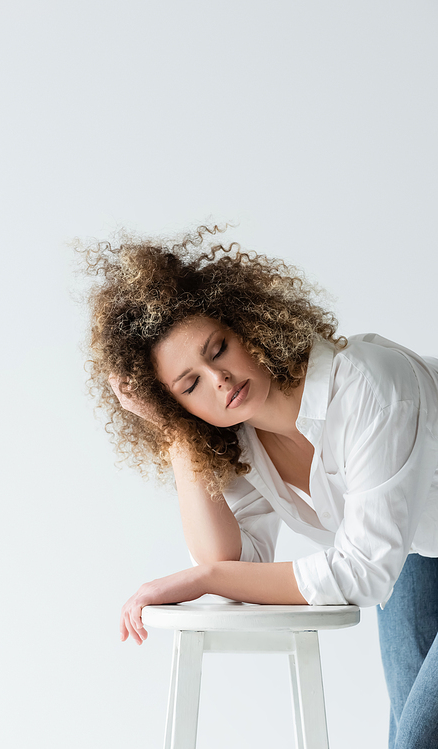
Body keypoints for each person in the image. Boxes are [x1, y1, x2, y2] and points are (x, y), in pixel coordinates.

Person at [78, 225, 438, 749]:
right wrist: (174, 429)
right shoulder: (244, 440)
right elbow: (234, 555)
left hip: (401, 553)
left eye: (218, 348)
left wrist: (205, 579)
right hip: (422, 543)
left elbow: (361, 573)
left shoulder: (368, 387)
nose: (219, 380)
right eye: (190, 385)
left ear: (246, 323)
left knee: (420, 736)